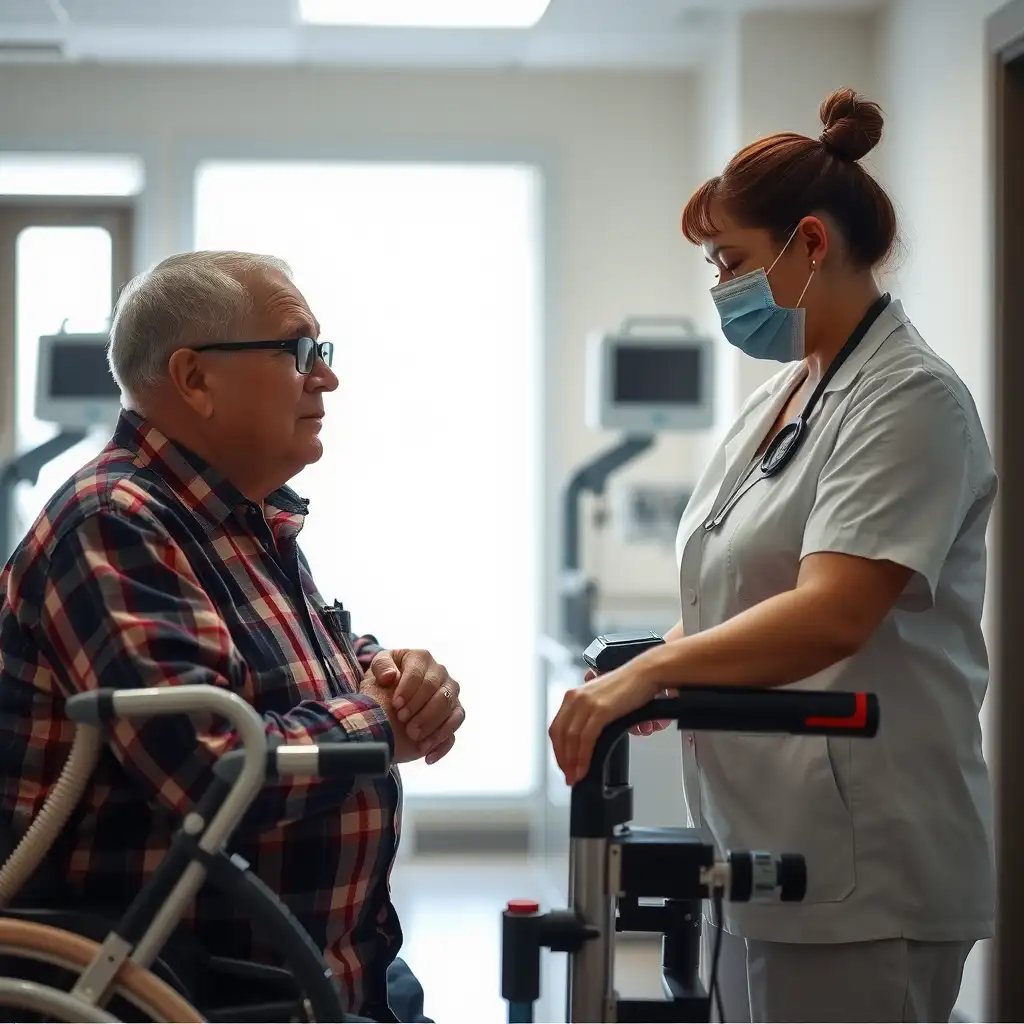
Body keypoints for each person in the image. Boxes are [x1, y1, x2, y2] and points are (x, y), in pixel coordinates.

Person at [549, 88, 995, 1022]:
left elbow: (833, 609)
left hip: (866, 862)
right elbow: (734, 583)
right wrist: (654, 663)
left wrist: (658, 676)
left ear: (812, 243)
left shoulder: (909, 401)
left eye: (732, 262)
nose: (721, 289)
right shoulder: (787, 394)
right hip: (764, 839)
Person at [0, 250, 466, 1023]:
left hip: (331, 971)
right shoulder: (113, 521)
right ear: (194, 378)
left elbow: (316, 658)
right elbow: (212, 772)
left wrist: (396, 673)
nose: (326, 377)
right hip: (196, 991)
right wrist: (383, 721)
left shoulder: (241, 518)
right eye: (298, 350)